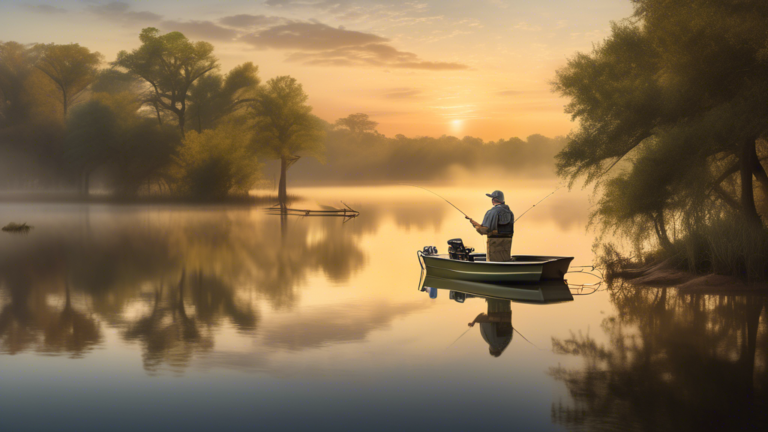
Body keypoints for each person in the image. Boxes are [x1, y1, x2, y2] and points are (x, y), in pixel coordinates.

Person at [468, 190, 514, 262]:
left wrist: (476, 227)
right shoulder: (510, 213)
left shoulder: (492, 212)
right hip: (506, 245)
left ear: (493, 200)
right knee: (505, 260)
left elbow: (485, 230)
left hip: (494, 246)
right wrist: (473, 222)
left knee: (493, 261)